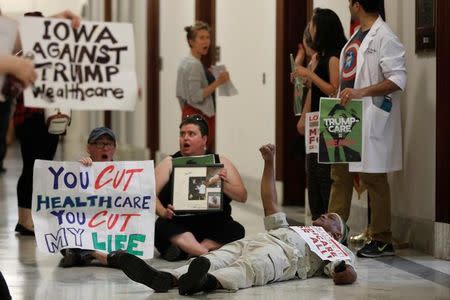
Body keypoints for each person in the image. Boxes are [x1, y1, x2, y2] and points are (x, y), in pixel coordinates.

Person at [109, 144, 356, 295]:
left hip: (283, 255)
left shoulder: (335, 248)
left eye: (331, 218)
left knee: (248, 268)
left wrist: (343, 270)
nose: (323, 216)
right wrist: (269, 163)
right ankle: (168, 278)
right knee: (214, 257)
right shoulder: (296, 228)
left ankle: (207, 284)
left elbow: (346, 274)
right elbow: (270, 203)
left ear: (337, 234)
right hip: (259, 240)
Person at [328, 0, 407, 258]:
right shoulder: (356, 36)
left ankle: (383, 239)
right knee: (340, 175)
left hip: (369, 115)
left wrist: (362, 92)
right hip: (348, 116)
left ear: (357, 5)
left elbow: (397, 79)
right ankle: (332, 235)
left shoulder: (385, 37)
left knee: (374, 177)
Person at [5, 10, 80, 236]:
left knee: (45, 167)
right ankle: (24, 218)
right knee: (32, 167)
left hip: (49, 117)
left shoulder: (54, 55)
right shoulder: (18, 56)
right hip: (29, 117)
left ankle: (33, 216)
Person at [155, 114, 247, 261]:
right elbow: (149, 195)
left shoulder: (220, 161)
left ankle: (191, 251)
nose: (185, 138)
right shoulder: (169, 162)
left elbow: (242, 196)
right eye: (182, 134)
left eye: (191, 134)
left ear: (204, 139)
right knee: (161, 226)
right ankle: (205, 254)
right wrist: (163, 212)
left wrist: (221, 184)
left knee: (236, 229)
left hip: (213, 224)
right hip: (180, 224)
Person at [293, 9, 347, 220]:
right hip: (315, 123)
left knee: (326, 178)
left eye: (313, 25)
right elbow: (314, 89)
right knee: (313, 176)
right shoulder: (318, 57)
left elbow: (333, 89)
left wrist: (309, 74)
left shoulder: (334, 57)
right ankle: (317, 225)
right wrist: (304, 77)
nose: (310, 29)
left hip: (329, 123)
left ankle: (330, 226)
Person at [59, 127, 122, 268]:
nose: (105, 148)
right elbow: (68, 203)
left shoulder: (124, 173)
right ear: (89, 148)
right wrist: (81, 172)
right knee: (63, 225)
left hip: (109, 226)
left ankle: (82, 254)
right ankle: (98, 255)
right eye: (99, 144)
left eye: (109, 144)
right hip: (87, 224)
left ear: (114, 148)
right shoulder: (80, 170)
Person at [176, 21, 231, 151]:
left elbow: (179, 93)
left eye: (208, 38)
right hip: (201, 116)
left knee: (190, 153)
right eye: (201, 38)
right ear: (191, 41)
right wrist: (219, 81)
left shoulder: (185, 62)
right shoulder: (195, 65)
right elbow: (196, 96)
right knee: (201, 155)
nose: (206, 42)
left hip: (188, 113)